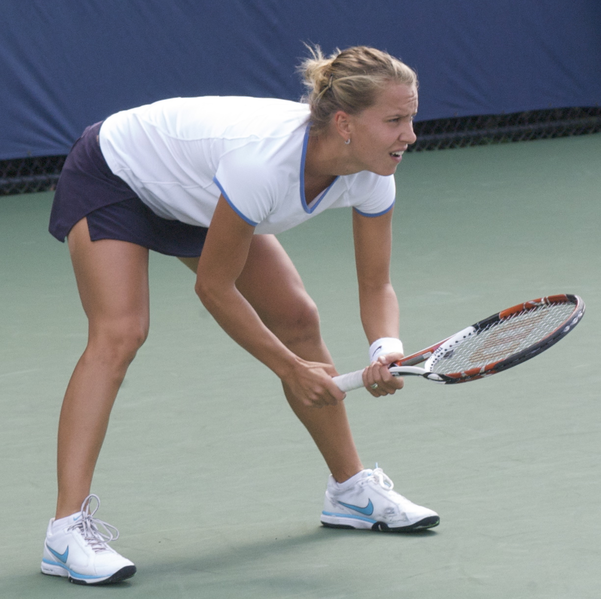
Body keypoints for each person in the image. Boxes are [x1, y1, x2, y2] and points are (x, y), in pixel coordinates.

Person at [41, 44, 439, 586]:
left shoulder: (374, 172)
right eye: (394, 120)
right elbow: (215, 287)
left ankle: (351, 493)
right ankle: (66, 532)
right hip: (119, 175)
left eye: (410, 118)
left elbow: (376, 283)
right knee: (120, 333)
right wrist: (290, 369)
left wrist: (385, 349)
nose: (409, 135)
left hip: (201, 192)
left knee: (298, 317)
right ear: (344, 122)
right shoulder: (263, 163)